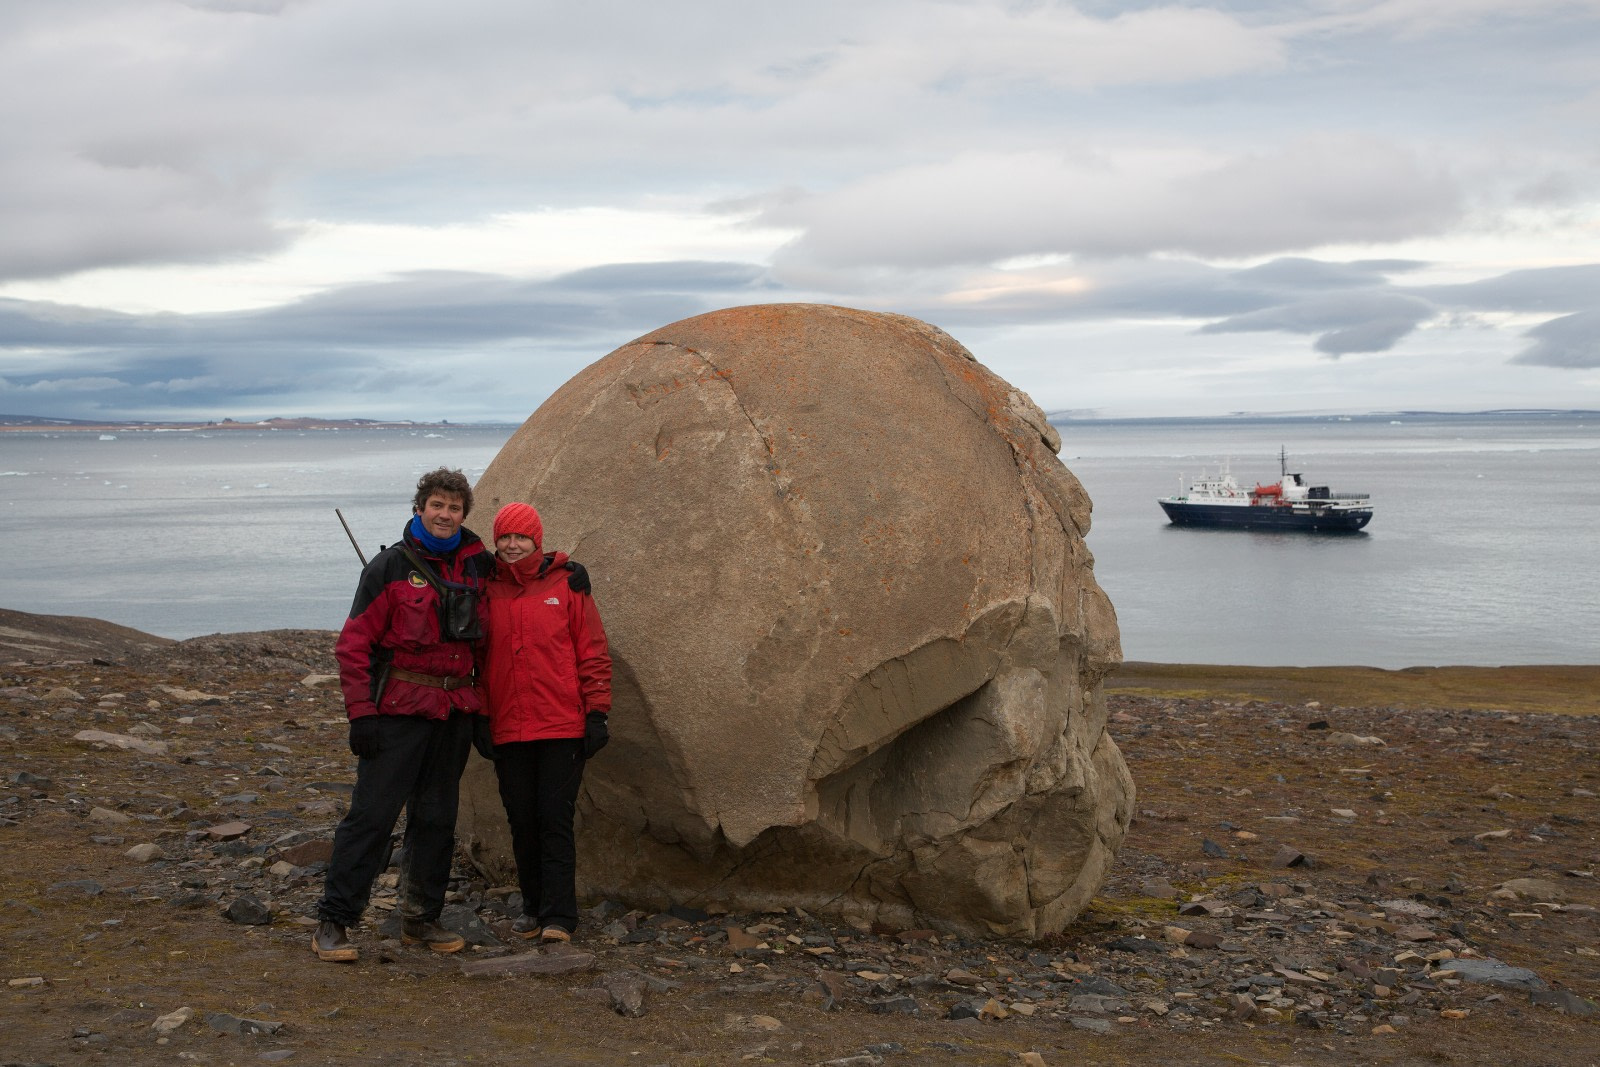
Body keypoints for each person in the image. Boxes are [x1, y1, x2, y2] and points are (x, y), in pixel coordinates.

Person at [312, 467, 497, 963]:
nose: (445, 514)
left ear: (464, 514)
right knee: (371, 817)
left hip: (454, 711)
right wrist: (361, 716)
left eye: (454, 507)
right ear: (420, 509)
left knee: (437, 819)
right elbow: (353, 647)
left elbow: (522, 586)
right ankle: (335, 920)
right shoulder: (389, 568)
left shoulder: (480, 566)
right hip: (397, 713)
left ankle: (420, 919)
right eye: (437, 505)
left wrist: (567, 571)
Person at [482, 501, 612, 943]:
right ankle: (533, 907)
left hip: (561, 725)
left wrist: (597, 712)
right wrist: (479, 715)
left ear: (537, 540)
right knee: (521, 819)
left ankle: (559, 916)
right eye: (505, 537)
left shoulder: (568, 584)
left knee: (554, 818)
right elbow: (476, 659)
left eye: (522, 537)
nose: (513, 545)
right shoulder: (485, 587)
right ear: (495, 541)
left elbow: (591, 650)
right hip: (507, 725)